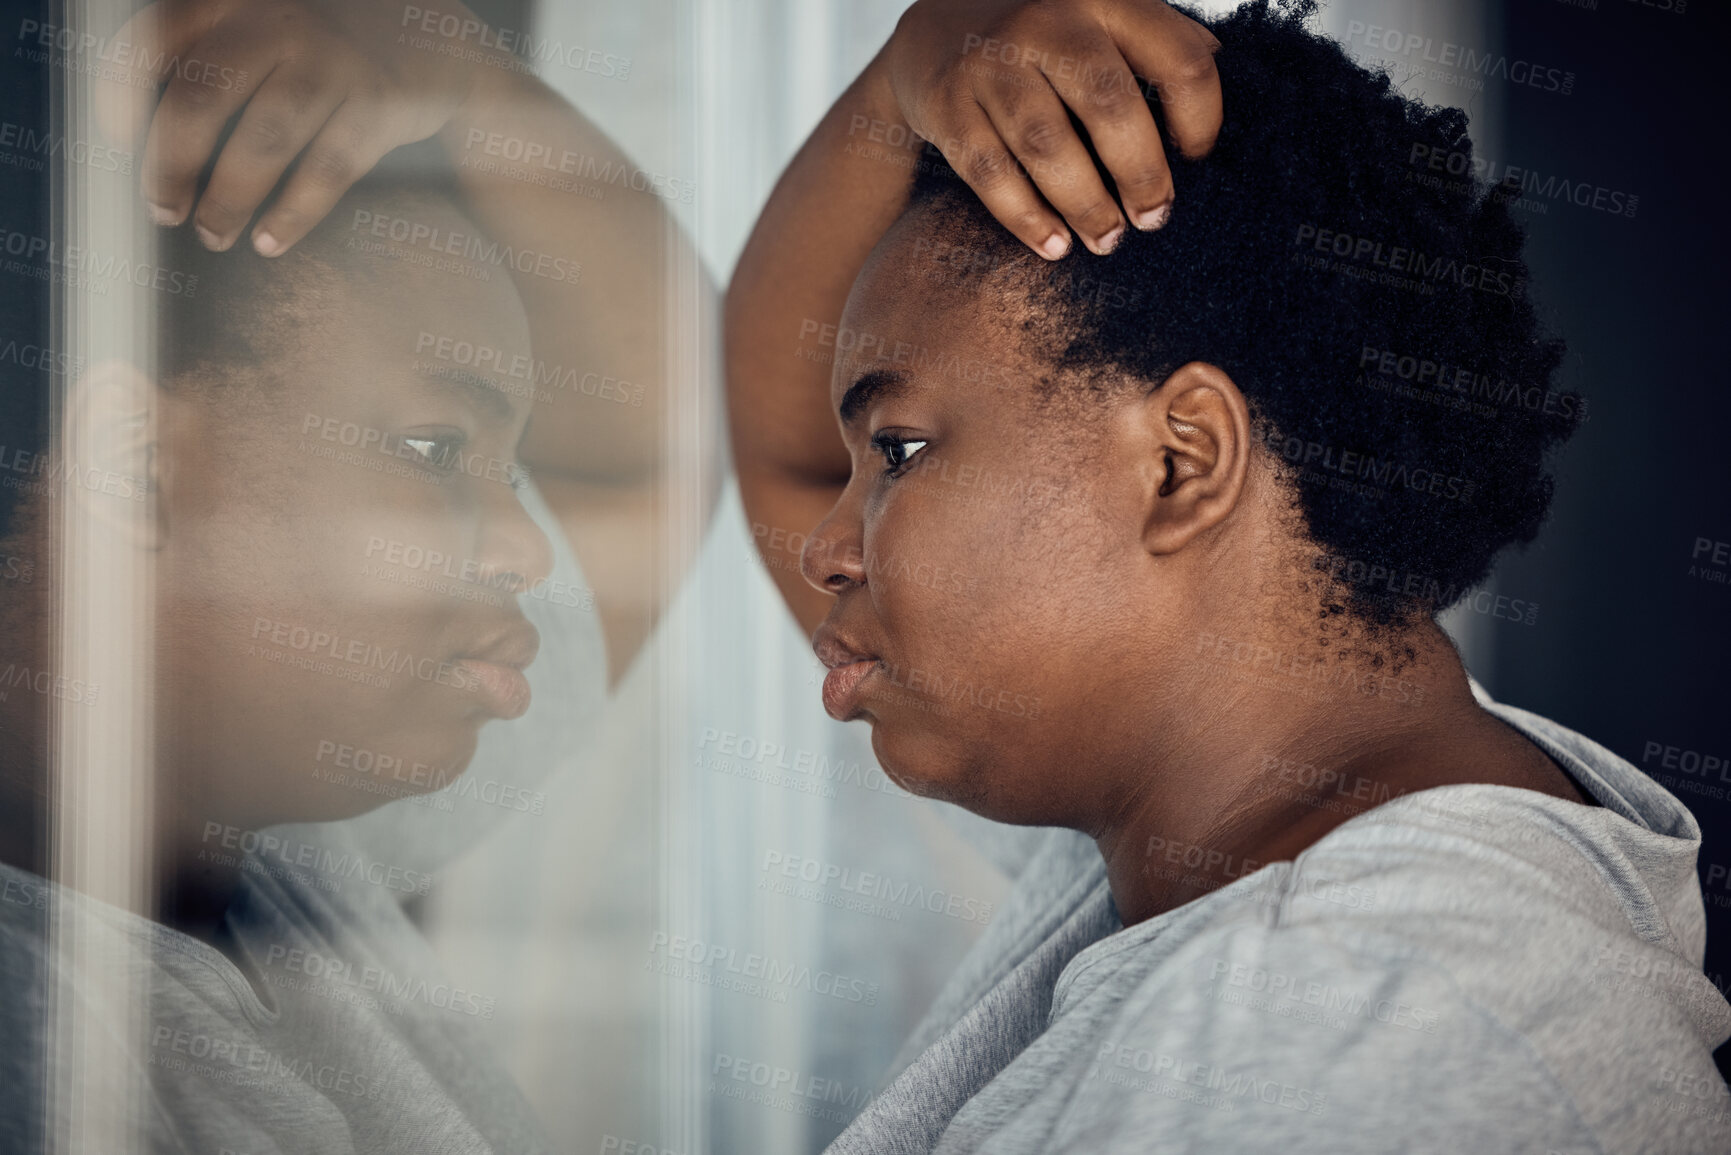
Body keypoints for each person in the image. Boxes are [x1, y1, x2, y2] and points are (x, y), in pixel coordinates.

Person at [725, 0, 1731, 1150]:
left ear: (1181, 463)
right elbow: (786, 450)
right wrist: (911, 64)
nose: (825, 546)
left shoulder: (1365, 1037)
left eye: (898, 452)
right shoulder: (1207, 802)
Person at [0, 0, 711, 1150]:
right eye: (435, 450)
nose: (525, 550)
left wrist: (456, 78)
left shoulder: (277, 845)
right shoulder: (41, 1050)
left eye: (513, 472)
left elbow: (652, 454)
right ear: (135, 469)